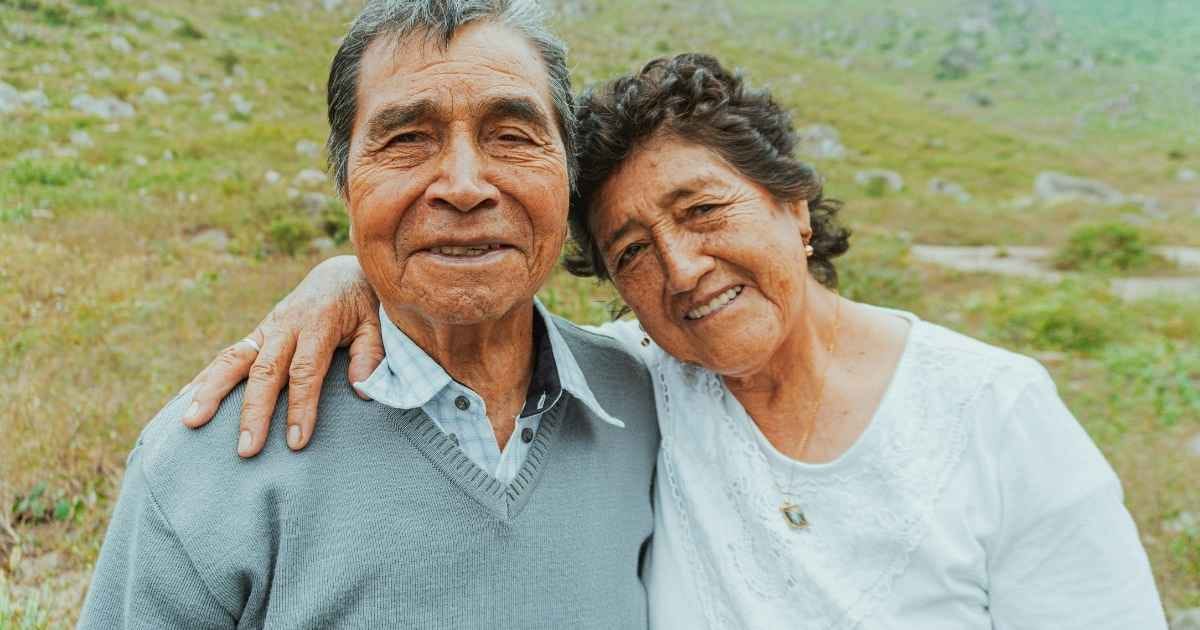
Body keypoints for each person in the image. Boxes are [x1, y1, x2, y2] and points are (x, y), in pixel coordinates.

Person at [184, 51, 1170, 628]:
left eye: (703, 210)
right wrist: (348, 275)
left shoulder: (994, 411)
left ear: (792, 205)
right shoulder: (630, 387)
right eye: (632, 251)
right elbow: (477, 319)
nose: (684, 269)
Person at [78, 2, 660, 627]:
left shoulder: (644, 401)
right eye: (408, 140)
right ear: (346, 186)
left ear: (568, 176)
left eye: (512, 137)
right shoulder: (207, 463)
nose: (465, 186)